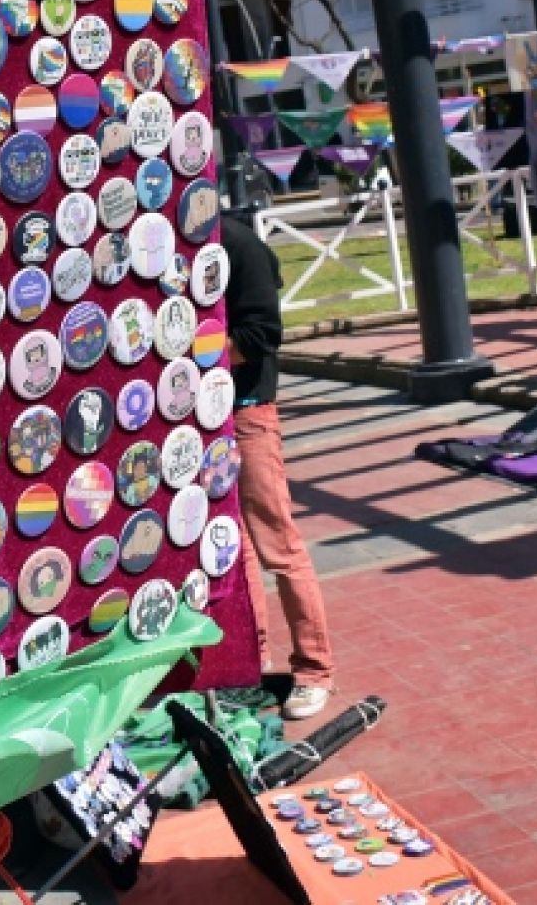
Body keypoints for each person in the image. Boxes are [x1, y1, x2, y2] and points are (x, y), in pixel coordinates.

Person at [218, 210, 335, 720]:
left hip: (246, 411)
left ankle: (314, 669)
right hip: (198, 422)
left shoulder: (238, 243)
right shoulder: (166, 242)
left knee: (277, 545)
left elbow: (264, 331)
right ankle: (252, 663)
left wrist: (196, 356)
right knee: (232, 548)